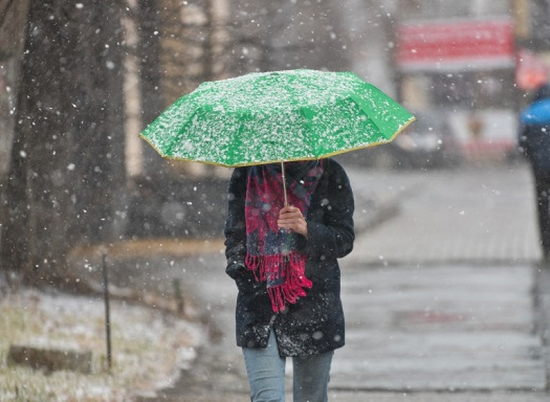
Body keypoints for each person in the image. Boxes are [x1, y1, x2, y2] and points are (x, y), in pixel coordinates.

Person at [224, 158, 355, 402]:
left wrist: (306, 229)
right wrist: (244, 273)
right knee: (267, 398)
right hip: (260, 305)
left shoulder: (330, 173)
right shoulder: (247, 173)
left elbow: (344, 239)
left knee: (311, 398)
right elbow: (234, 236)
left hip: (314, 303)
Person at [519, 83, 550, 261]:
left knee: (543, 206)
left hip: (539, 170)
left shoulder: (530, 113)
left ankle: (546, 245)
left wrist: (532, 158)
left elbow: (522, 143)